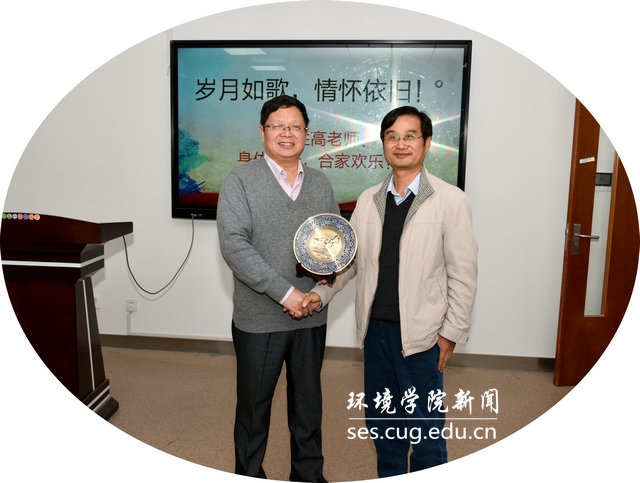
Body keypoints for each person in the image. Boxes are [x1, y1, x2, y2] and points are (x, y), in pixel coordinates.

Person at [303, 106, 478, 477]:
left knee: (426, 426)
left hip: (423, 334)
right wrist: (322, 293)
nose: (401, 144)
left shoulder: (451, 200)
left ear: (427, 143)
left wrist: (451, 333)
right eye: (392, 137)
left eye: (410, 136)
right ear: (383, 144)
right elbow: (350, 262)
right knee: (383, 424)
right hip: (376, 332)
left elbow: (463, 274)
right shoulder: (369, 199)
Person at [217, 95, 339, 481]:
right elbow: (234, 246)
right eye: (278, 126)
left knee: (308, 409)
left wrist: (319, 289)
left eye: (295, 126)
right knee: (254, 412)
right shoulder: (240, 180)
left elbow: (333, 244)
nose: (287, 133)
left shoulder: (320, 182)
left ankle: (309, 476)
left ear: (307, 133)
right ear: (262, 132)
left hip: (310, 317)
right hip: (259, 320)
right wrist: (287, 294)